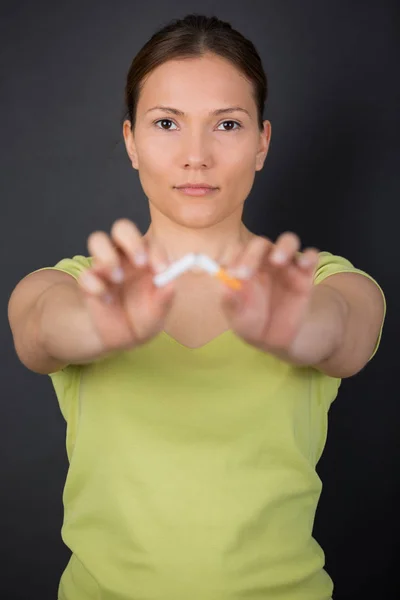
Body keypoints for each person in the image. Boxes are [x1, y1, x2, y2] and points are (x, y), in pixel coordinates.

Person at [8, 13, 386, 600]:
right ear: (131, 141)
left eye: (227, 125)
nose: (196, 156)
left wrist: (296, 331)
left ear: (262, 142)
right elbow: (40, 331)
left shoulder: (323, 283)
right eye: (166, 123)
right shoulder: (73, 286)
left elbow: (343, 334)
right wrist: (95, 325)